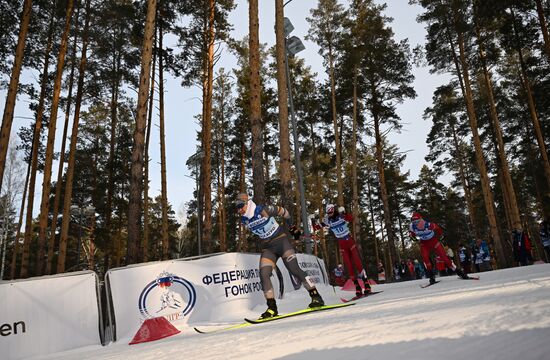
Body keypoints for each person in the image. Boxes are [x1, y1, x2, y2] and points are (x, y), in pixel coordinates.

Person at [236, 193, 324, 318]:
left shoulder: (263, 210)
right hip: (268, 248)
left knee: (295, 270)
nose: (239, 210)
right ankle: (272, 308)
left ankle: (316, 296)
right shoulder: (244, 219)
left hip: (282, 242)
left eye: (240, 206)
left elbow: (284, 212)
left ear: (247, 203)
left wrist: (292, 228)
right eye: (237, 207)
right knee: (264, 274)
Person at [320, 204, 372, 296]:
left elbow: (351, 219)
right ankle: (357, 287)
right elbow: (317, 227)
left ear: (334, 210)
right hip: (342, 244)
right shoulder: (327, 220)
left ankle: (366, 284)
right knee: (349, 266)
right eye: (328, 213)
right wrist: (313, 221)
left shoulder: (340, 215)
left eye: (331, 212)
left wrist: (344, 213)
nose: (330, 214)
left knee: (358, 263)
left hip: (350, 241)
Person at [409, 212, 470, 284]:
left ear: (421, 219)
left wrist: (440, 236)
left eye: (417, 221)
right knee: (425, 258)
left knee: (444, 258)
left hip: (433, 241)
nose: (416, 223)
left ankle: (459, 272)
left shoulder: (429, 225)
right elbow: (411, 234)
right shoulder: (412, 226)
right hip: (424, 243)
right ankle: (431, 276)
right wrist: (414, 239)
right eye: (414, 222)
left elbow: (438, 229)